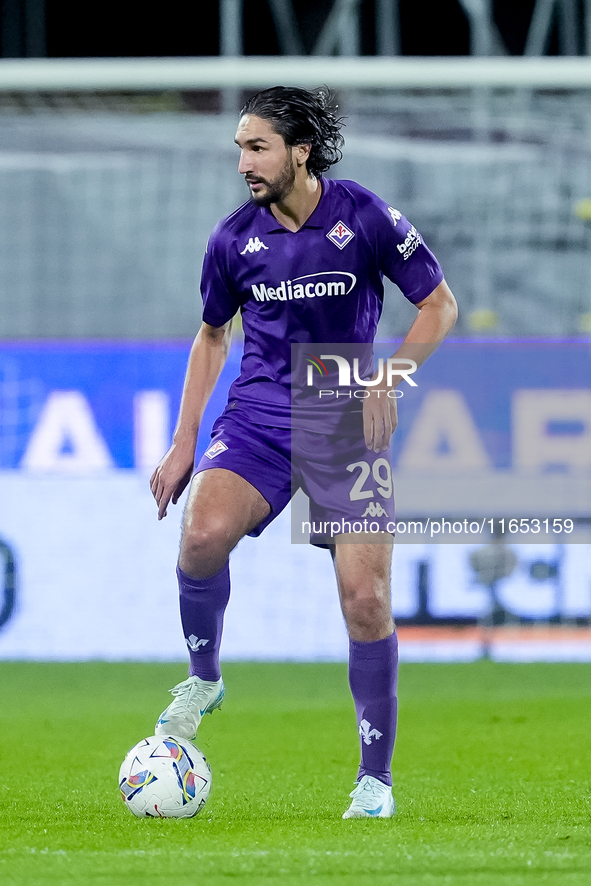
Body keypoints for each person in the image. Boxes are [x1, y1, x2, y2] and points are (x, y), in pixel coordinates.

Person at [150, 86, 457, 819]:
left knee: (366, 599)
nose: (243, 164)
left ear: (300, 150)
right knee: (200, 537)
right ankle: (204, 676)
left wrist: (391, 377)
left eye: (256, 147)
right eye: (238, 149)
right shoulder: (233, 239)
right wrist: (184, 437)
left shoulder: (364, 215)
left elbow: (437, 306)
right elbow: (211, 336)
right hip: (257, 415)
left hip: (341, 414)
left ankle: (373, 782)